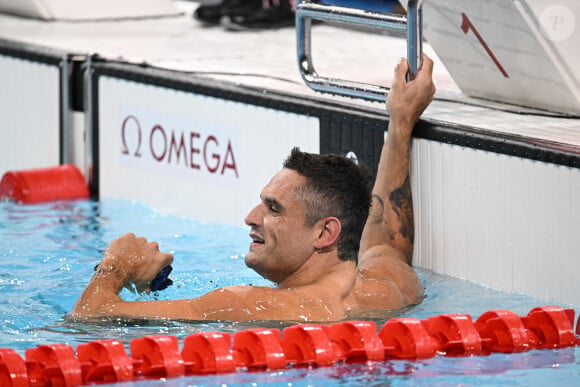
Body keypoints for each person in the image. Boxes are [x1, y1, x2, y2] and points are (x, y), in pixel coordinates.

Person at [70, 55, 435, 322]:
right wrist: (401, 120)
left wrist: (115, 265)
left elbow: (87, 320)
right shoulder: (388, 288)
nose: (250, 217)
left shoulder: (244, 305)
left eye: (273, 208)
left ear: (326, 232)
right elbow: (388, 241)